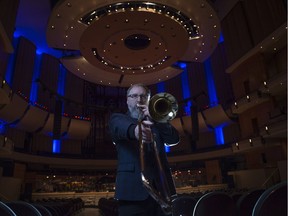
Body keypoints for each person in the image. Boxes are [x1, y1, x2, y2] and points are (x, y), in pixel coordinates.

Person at [109, 83, 180, 216]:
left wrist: (158, 120)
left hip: (163, 191)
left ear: (149, 99)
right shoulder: (118, 118)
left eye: (143, 96)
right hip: (132, 194)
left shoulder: (158, 122)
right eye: (134, 96)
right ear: (127, 100)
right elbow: (120, 127)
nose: (139, 100)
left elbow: (174, 140)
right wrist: (136, 130)